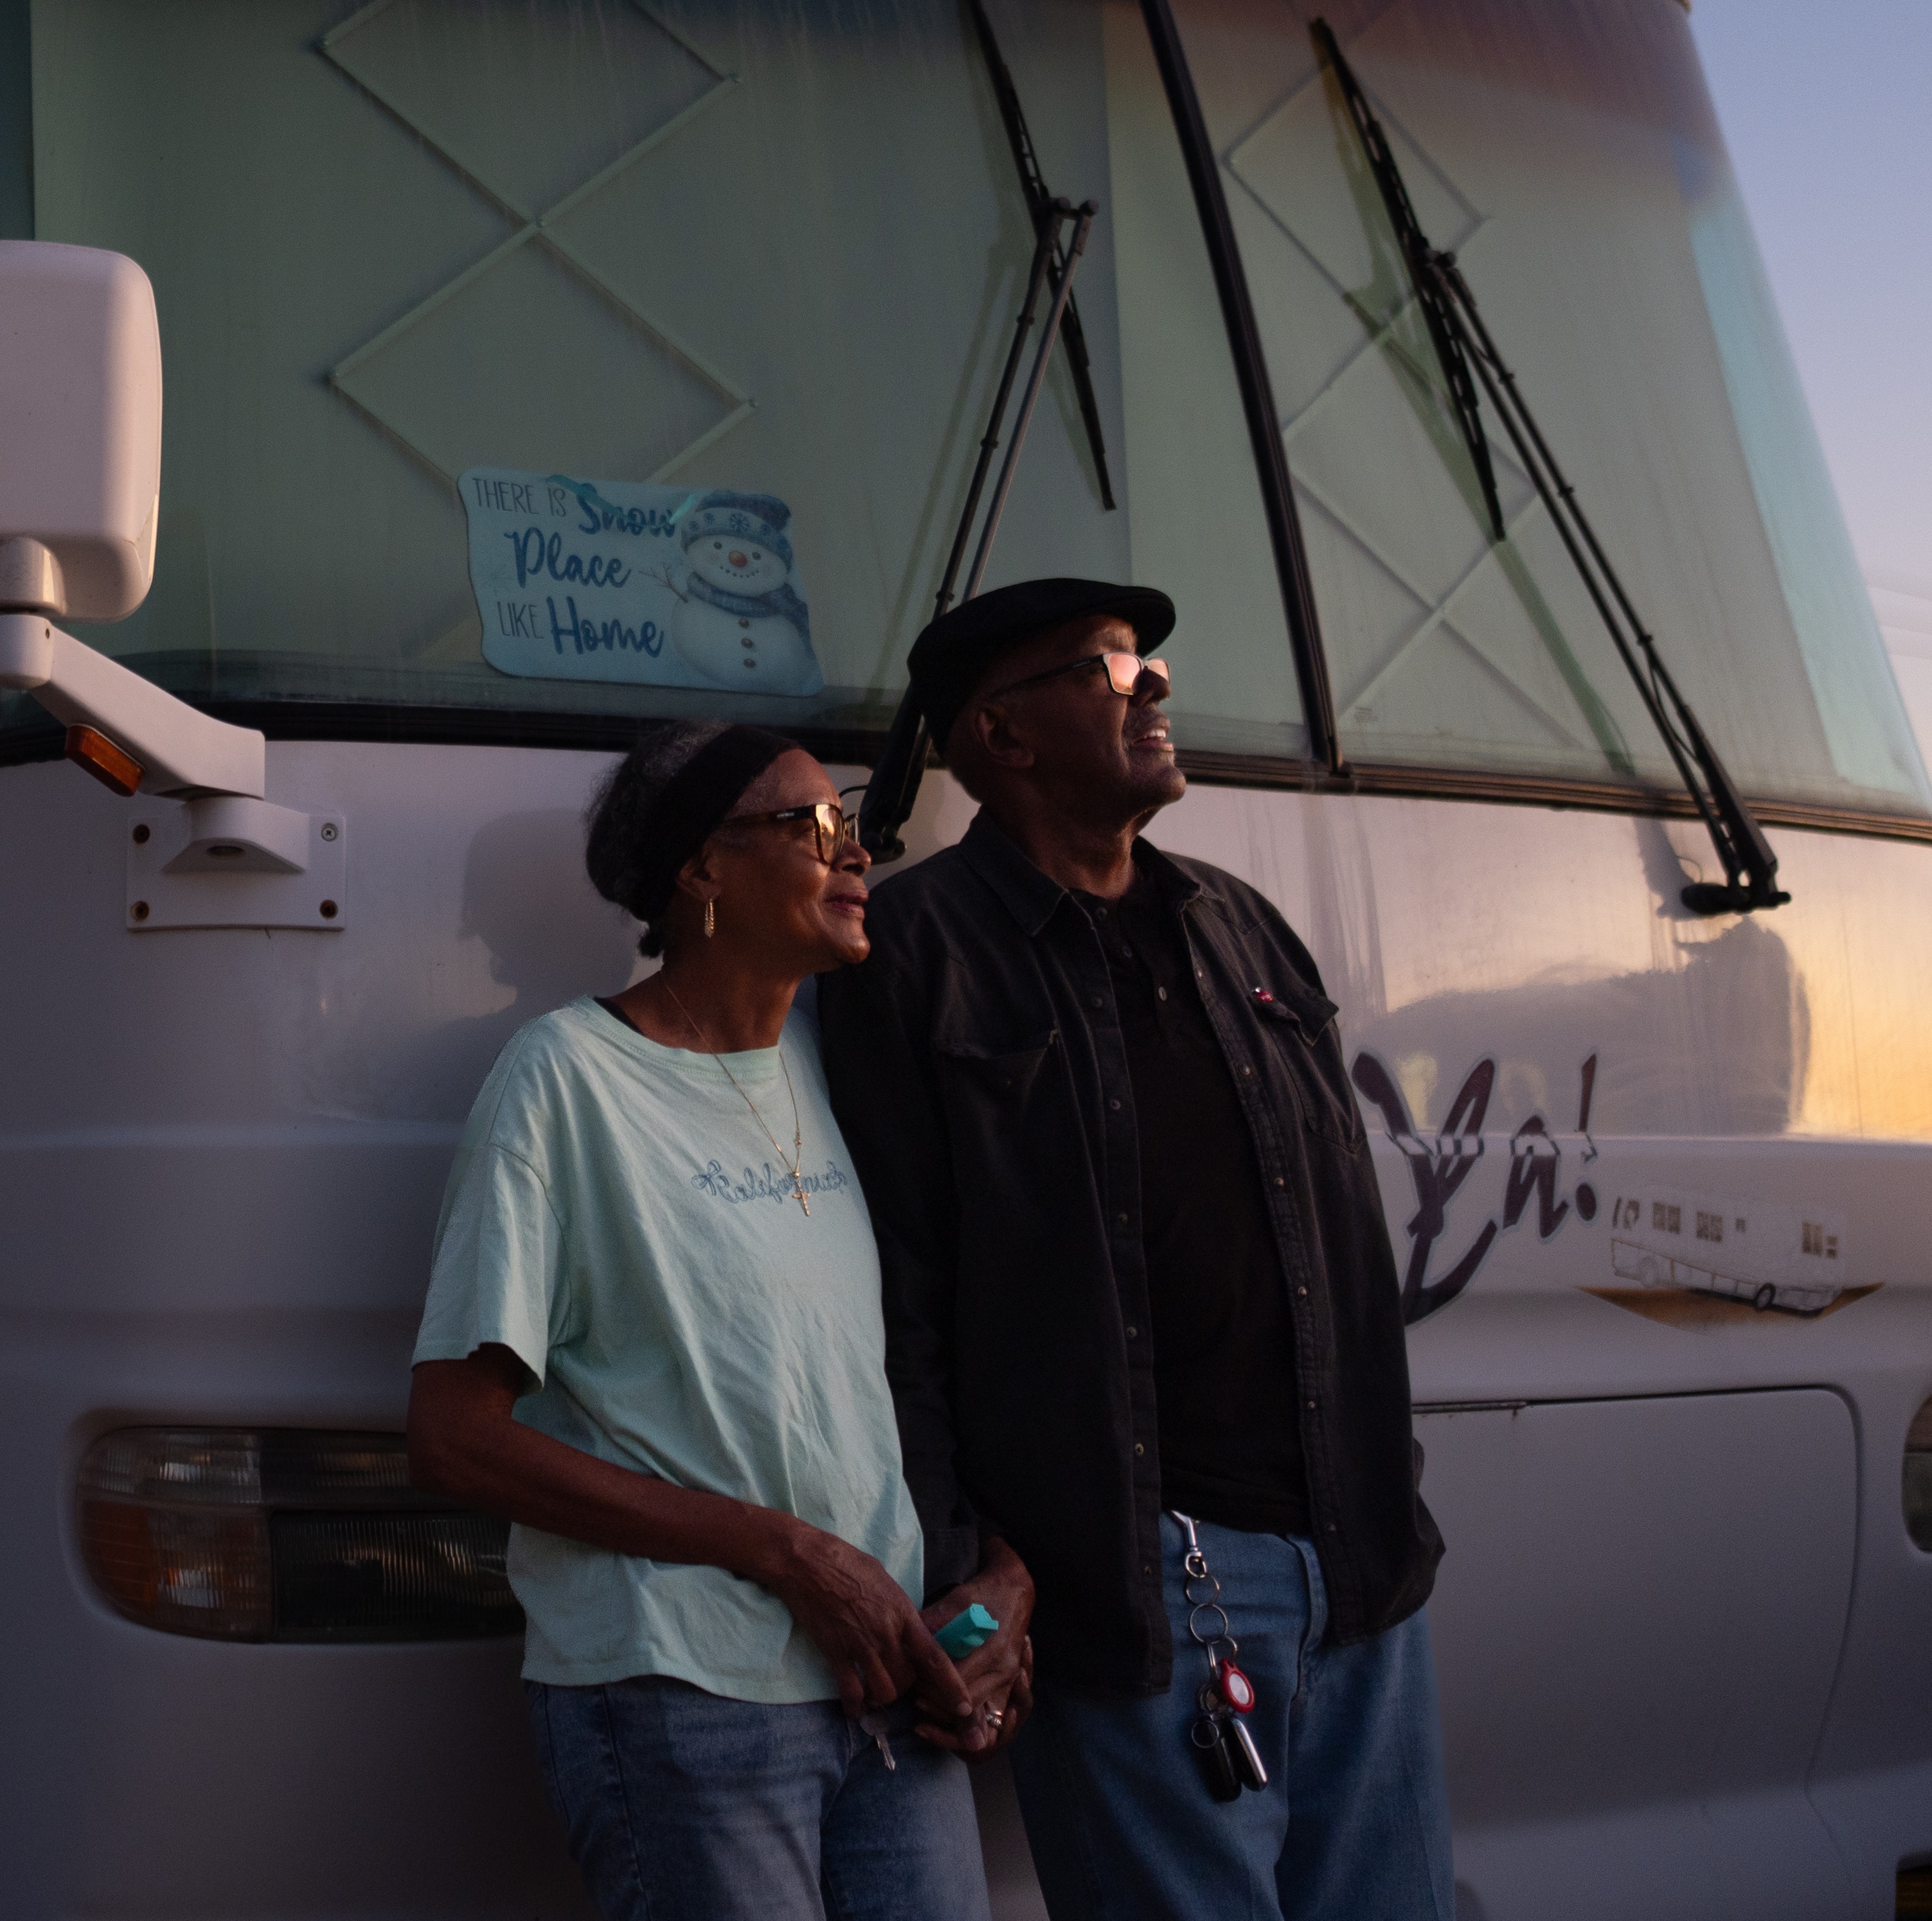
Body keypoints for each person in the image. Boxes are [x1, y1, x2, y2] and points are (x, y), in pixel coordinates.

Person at [818, 579, 1455, 1921]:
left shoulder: (1242, 924)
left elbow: (1339, 1230)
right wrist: (963, 1566)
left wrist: (1388, 1489)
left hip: (1359, 1569)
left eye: (1150, 661)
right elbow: (899, 1302)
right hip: (1135, 1591)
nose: (1153, 686)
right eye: (1106, 672)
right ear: (1002, 737)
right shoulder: (913, 954)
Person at [407, 720, 1033, 1921]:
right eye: (812, 828)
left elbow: (930, 1355)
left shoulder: (838, 1063)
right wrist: (784, 1552)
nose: (856, 858)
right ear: (699, 871)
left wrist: (1003, 1575)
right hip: (682, 1696)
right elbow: (454, 1436)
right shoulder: (565, 1080)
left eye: (853, 827)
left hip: (889, 1679)